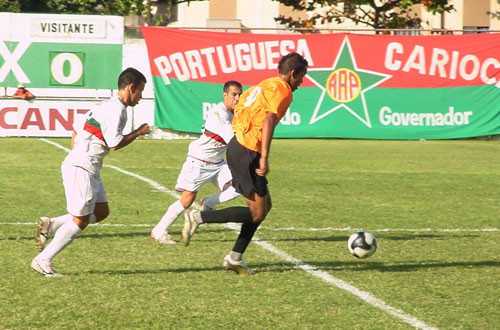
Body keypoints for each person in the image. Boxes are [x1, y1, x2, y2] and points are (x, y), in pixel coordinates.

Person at [182, 52, 309, 275]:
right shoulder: (283, 90)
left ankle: (234, 258)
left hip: (239, 146)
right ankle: (199, 217)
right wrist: (264, 156)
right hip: (247, 151)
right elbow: (269, 119)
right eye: (301, 77)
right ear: (293, 73)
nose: (301, 83)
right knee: (257, 212)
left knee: (264, 207)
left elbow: (240, 110)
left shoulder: (263, 85)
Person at [31, 67, 151, 277]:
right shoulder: (117, 110)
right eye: (140, 91)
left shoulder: (106, 105)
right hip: (82, 167)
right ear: (131, 88)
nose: (141, 97)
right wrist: (139, 132)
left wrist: (80, 156)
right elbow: (114, 144)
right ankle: (43, 260)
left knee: (102, 211)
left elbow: (77, 131)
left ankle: (53, 225)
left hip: (87, 166)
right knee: (81, 220)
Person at [151, 81, 243, 244]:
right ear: (225, 95)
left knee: (240, 186)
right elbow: (233, 140)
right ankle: (159, 231)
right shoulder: (218, 114)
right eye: (234, 94)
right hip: (199, 161)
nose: (237, 98)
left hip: (218, 163)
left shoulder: (236, 113)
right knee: (187, 200)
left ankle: (208, 202)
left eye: (240, 94)